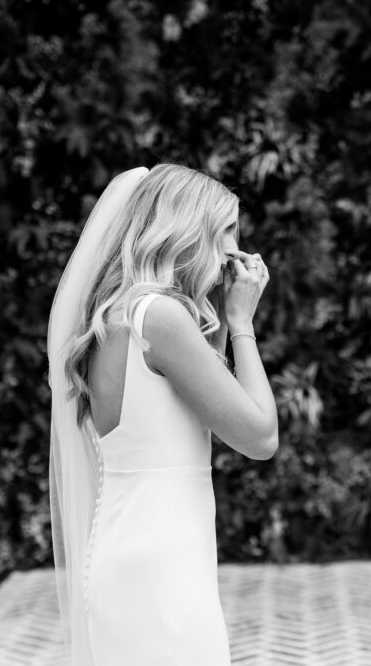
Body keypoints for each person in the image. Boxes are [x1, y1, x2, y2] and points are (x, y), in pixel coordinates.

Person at [47, 164, 278, 666]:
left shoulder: (116, 316)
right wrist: (241, 323)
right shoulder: (160, 317)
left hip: (122, 551)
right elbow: (260, 435)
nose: (236, 248)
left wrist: (216, 310)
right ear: (189, 231)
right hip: (163, 566)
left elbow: (192, 412)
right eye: (227, 231)